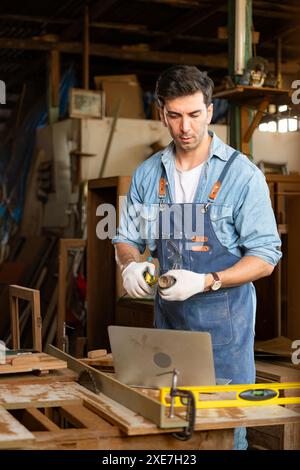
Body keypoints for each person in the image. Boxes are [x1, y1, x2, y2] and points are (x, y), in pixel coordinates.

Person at [112, 65, 282, 449]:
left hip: (223, 336)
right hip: (166, 334)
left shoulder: (243, 177)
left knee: (222, 434)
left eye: (193, 114)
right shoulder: (146, 175)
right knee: (168, 435)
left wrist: (207, 281)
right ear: (161, 114)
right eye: (174, 116)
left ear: (209, 111)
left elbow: (266, 256)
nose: (184, 127)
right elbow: (126, 237)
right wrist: (131, 263)